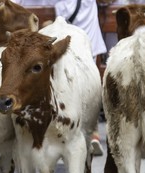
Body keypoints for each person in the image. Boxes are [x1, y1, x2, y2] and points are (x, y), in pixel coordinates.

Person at [13, 0, 107, 156]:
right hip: (77, 37)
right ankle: (92, 130)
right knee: (83, 75)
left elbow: (11, 8)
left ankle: (30, 128)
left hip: (37, 43)